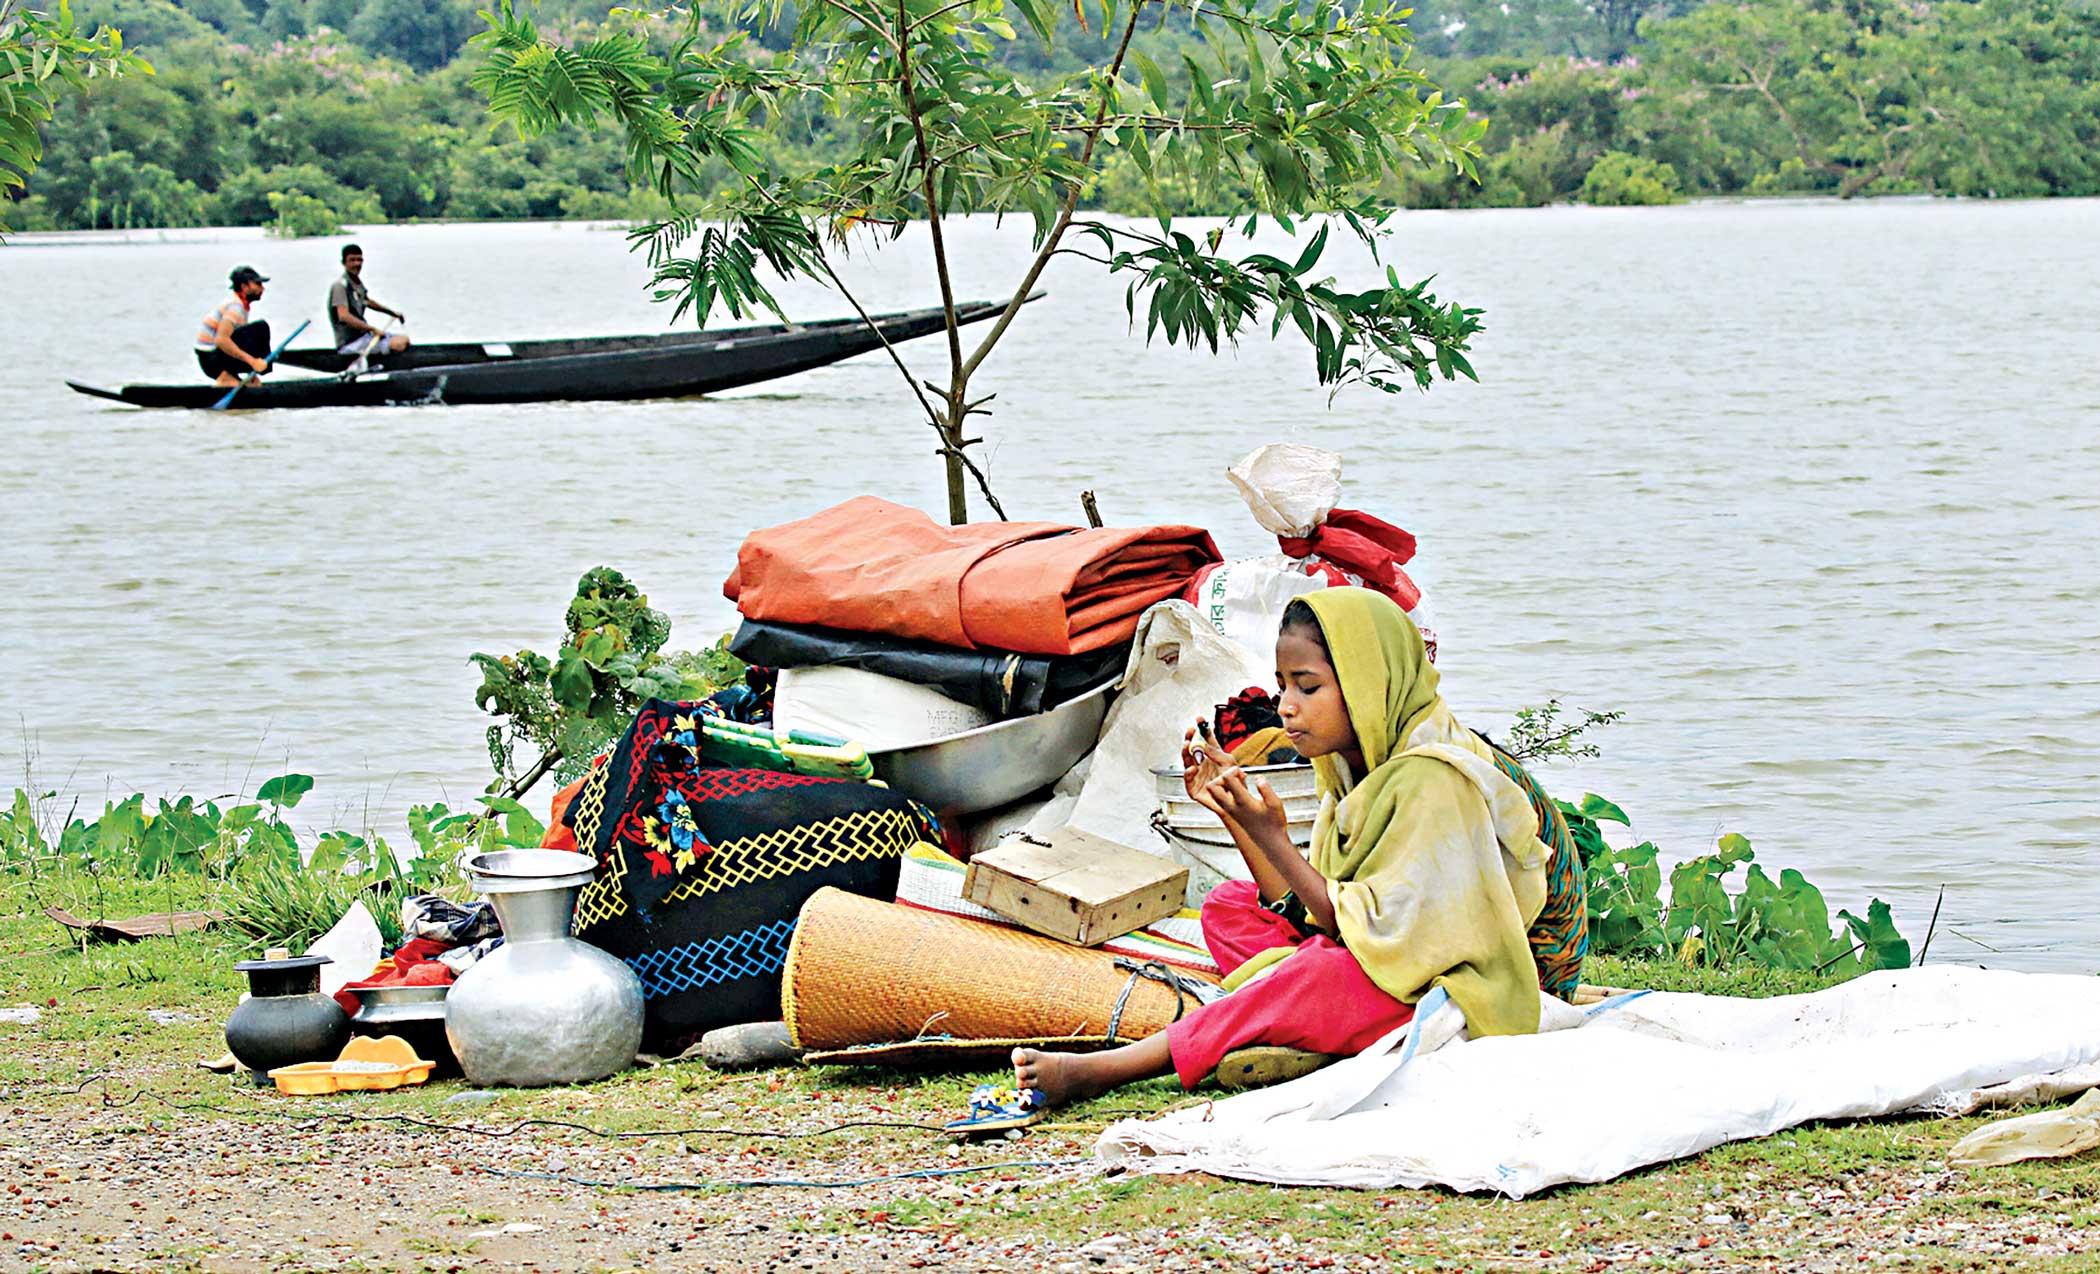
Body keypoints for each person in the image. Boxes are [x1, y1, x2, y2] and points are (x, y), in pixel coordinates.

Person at [1011, 587, 1588, 1108]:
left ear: (1369, 684)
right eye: (1284, 684)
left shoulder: (1435, 778)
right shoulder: (1356, 761)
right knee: (1230, 906)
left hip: (1485, 990)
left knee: (1317, 974)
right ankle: (1295, 1018)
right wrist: (1232, 812)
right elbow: (1317, 908)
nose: (1285, 705)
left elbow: (1368, 934)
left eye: (1307, 687)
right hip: (1397, 954)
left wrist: (1273, 839)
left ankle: (1114, 1069)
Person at [195, 265, 274, 386]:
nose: (262, 288)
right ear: (244, 287)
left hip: (215, 359)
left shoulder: (242, 307)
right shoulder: (235, 307)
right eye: (258, 284)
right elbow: (221, 340)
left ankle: (245, 376)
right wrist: (253, 362)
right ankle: (225, 377)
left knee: (252, 334)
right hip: (211, 360)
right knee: (260, 328)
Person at [329, 243, 409, 359]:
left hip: (364, 337)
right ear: (344, 263)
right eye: (352, 260)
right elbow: (344, 316)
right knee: (399, 344)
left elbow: (366, 301)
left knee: (405, 340)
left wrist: (392, 313)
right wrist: (372, 329)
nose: (357, 264)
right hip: (351, 344)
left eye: (359, 260)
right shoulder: (340, 286)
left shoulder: (356, 283)